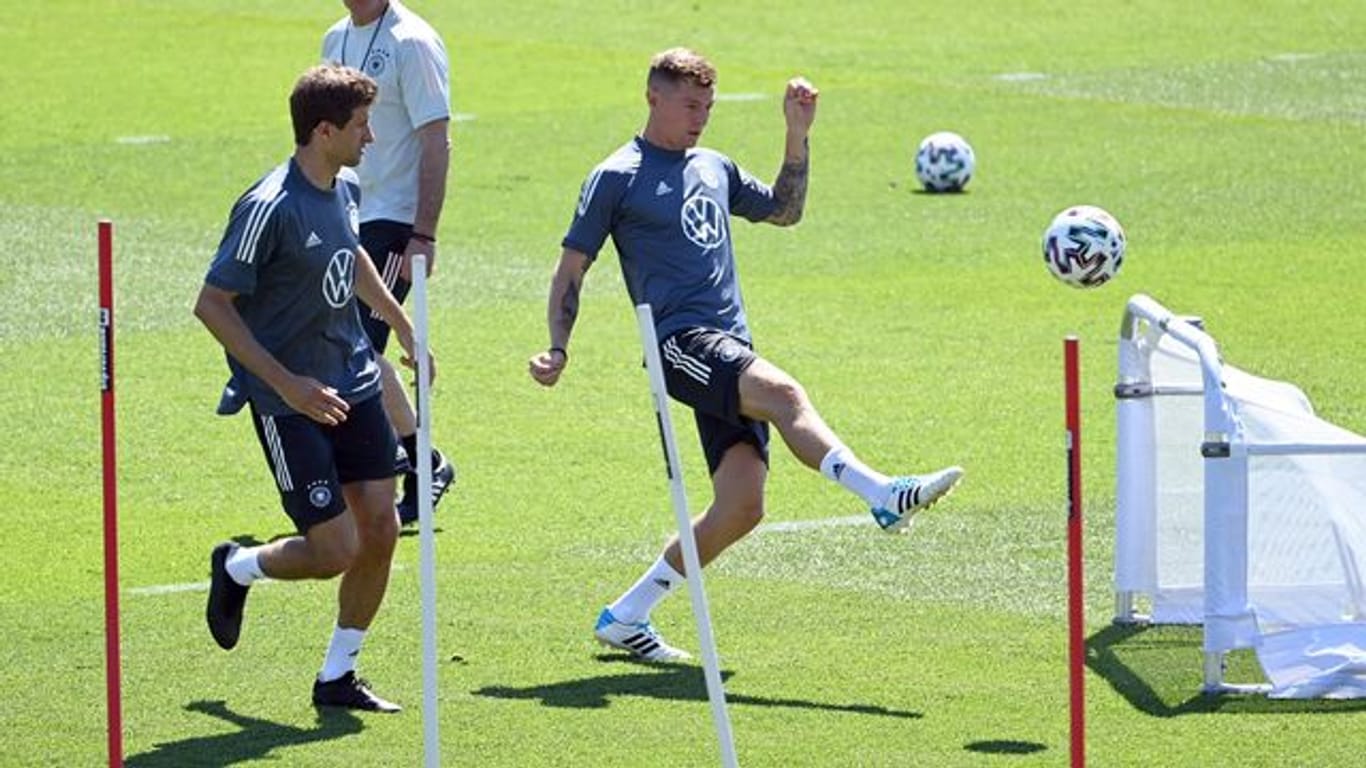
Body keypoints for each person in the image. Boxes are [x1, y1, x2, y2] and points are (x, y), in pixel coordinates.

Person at [528, 48, 964, 661]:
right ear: (653, 98)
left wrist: (796, 134)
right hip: (680, 344)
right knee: (786, 396)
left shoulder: (714, 165)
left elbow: (784, 213)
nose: (700, 117)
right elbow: (572, 268)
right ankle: (884, 494)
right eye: (689, 105)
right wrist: (557, 346)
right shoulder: (617, 176)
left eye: (707, 106)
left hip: (731, 343)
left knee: (741, 508)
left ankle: (626, 616)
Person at [195, 63, 434, 711]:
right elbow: (213, 304)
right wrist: (288, 385)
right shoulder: (267, 206)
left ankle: (338, 677)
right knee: (334, 550)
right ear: (323, 130)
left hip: (354, 383)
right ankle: (238, 567)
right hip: (287, 401)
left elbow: (349, 253)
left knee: (380, 529)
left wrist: (402, 325)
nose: (372, 139)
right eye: (361, 126)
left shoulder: (346, 187)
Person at [322, 0, 454, 525]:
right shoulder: (335, 38)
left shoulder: (412, 43)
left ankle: (399, 463)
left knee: (358, 345)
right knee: (351, 344)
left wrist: (424, 232)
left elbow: (436, 140)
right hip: (345, 212)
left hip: (395, 220)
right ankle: (423, 462)